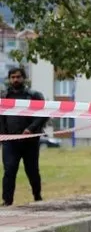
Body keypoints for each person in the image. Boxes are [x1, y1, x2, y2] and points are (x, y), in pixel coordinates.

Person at [0, 67, 48, 206]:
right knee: (9, 170)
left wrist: (31, 129)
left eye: (18, 77)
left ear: (24, 78)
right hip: (10, 141)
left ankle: (37, 197)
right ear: (9, 79)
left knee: (32, 170)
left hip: (30, 141)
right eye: (13, 77)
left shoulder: (34, 95)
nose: (15, 79)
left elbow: (44, 113)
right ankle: (7, 201)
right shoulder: (4, 97)